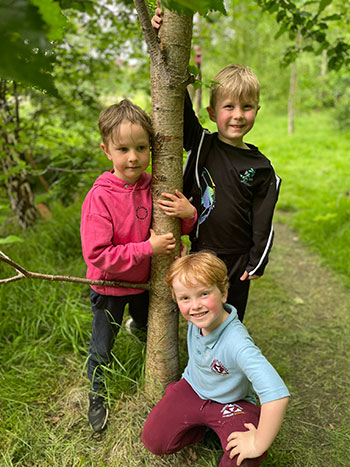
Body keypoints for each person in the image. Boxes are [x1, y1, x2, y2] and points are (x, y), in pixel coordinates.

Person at [152, 10, 281, 322]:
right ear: (212, 112)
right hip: (201, 251)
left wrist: (257, 260)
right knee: (200, 315)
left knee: (231, 321)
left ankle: (228, 369)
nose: (238, 115)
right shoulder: (202, 142)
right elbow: (175, 100)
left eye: (247, 107)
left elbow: (263, 220)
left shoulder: (261, 168)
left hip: (237, 260)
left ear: (257, 111)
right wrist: (163, 39)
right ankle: (201, 367)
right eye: (229, 106)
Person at [80, 99, 197, 432]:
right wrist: (148, 248)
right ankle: (97, 392)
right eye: (123, 149)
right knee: (102, 345)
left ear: (151, 148)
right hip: (110, 287)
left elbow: (174, 231)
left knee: (149, 329)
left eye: (141, 147)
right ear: (107, 150)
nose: (133, 157)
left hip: (147, 284)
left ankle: (148, 349)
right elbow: (98, 254)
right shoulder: (100, 197)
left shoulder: (155, 185)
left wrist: (189, 216)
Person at [142, 252, 289, 466]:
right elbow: (186, 279)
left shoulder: (237, 343)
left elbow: (277, 394)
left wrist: (258, 442)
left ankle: (223, 425)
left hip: (231, 403)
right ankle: (203, 427)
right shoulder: (197, 319)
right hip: (193, 388)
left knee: (245, 458)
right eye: (185, 298)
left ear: (223, 293)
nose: (195, 306)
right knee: (154, 441)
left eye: (204, 294)